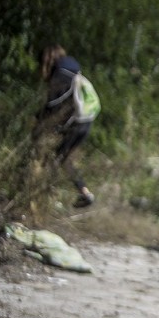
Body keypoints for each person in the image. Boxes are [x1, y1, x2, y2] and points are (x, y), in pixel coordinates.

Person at [34, 44, 96, 208]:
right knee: (62, 156)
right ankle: (83, 192)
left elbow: (55, 103)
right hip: (87, 120)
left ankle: (46, 194)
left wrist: (39, 118)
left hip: (77, 122)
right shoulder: (73, 70)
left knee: (57, 156)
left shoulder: (61, 74)